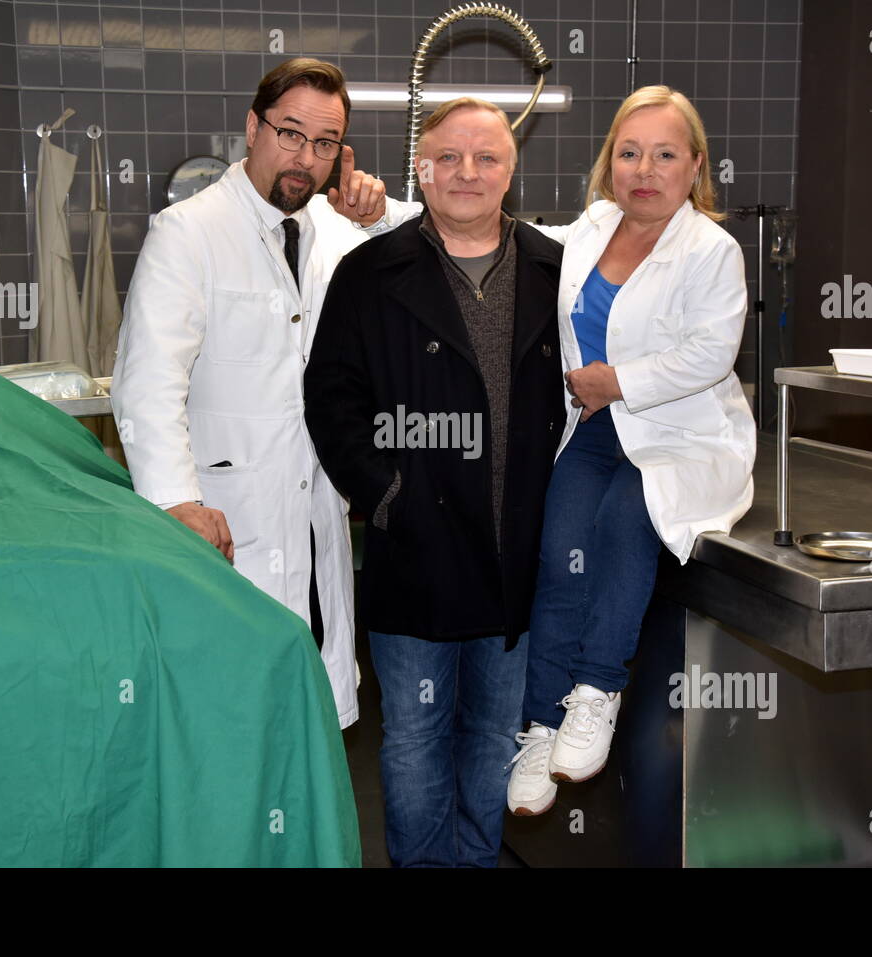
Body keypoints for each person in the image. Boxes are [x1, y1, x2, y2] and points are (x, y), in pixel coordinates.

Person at [110, 58, 415, 731]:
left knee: (313, 723)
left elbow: (442, 236)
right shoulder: (188, 232)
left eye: (326, 142)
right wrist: (175, 502)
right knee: (232, 721)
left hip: (316, 520)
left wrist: (379, 206)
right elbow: (147, 383)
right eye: (290, 133)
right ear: (252, 128)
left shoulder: (335, 230)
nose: (305, 158)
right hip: (228, 526)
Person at [304, 98, 565, 866]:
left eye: (486, 158)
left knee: (494, 732)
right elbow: (332, 398)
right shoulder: (370, 273)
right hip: (416, 547)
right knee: (416, 734)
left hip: (517, 551)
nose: (467, 173)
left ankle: (478, 858)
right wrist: (389, 495)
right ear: (422, 167)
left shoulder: (553, 270)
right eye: (448, 157)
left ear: (511, 171)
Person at [505, 85, 757, 816]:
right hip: (597, 428)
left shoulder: (711, 250)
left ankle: (596, 689)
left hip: (682, 433)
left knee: (623, 518)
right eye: (629, 152)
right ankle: (542, 722)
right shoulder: (588, 231)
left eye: (665, 154)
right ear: (609, 161)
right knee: (558, 548)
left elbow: (712, 352)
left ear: (696, 166)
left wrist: (620, 380)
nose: (645, 168)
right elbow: (497, 230)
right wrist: (383, 209)